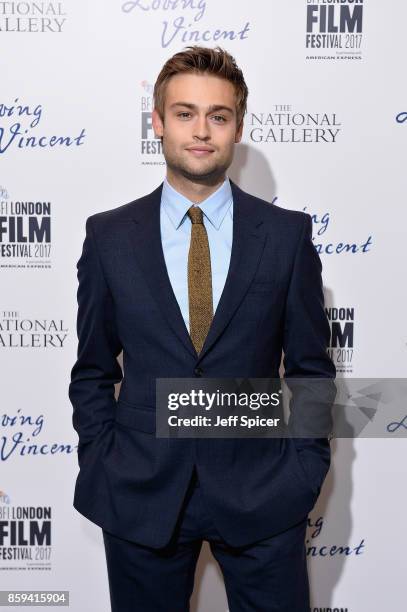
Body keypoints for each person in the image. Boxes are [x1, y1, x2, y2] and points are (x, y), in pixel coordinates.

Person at [69, 45, 336, 612]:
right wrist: (103, 458)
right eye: (185, 113)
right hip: (141, 492)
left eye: (218, 116)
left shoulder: (286, 237)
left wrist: (303, 471)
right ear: (158, 123)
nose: (201, 131)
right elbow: (91, 371)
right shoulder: (109, 237)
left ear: (238, 126)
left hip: (264, 491)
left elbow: (312, 371)